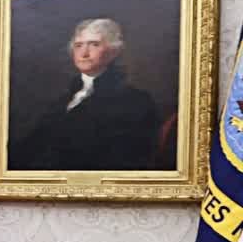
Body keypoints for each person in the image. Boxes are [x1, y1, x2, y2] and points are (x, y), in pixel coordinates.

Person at [10, 18, 168, 171]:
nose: (84, 53)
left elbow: (125, 160)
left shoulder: (135, 101)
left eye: (94, 44)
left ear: (113, 51)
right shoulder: (62, 100)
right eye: (78, 45)